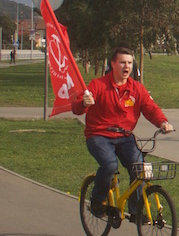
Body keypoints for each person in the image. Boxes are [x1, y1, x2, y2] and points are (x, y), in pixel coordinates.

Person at [71, 47, 173, 223]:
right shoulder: (98, 85)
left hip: (125, 137)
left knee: (139, 168)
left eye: (130, 63)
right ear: (113, 64)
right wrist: (83, 103)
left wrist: (163, 122)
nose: (127, 66)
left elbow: (150, 109)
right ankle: (98, 201)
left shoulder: (136, 88)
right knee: (110, 165)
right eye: (123, 62)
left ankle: (136, 210)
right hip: (99, 135)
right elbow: (78, 107)